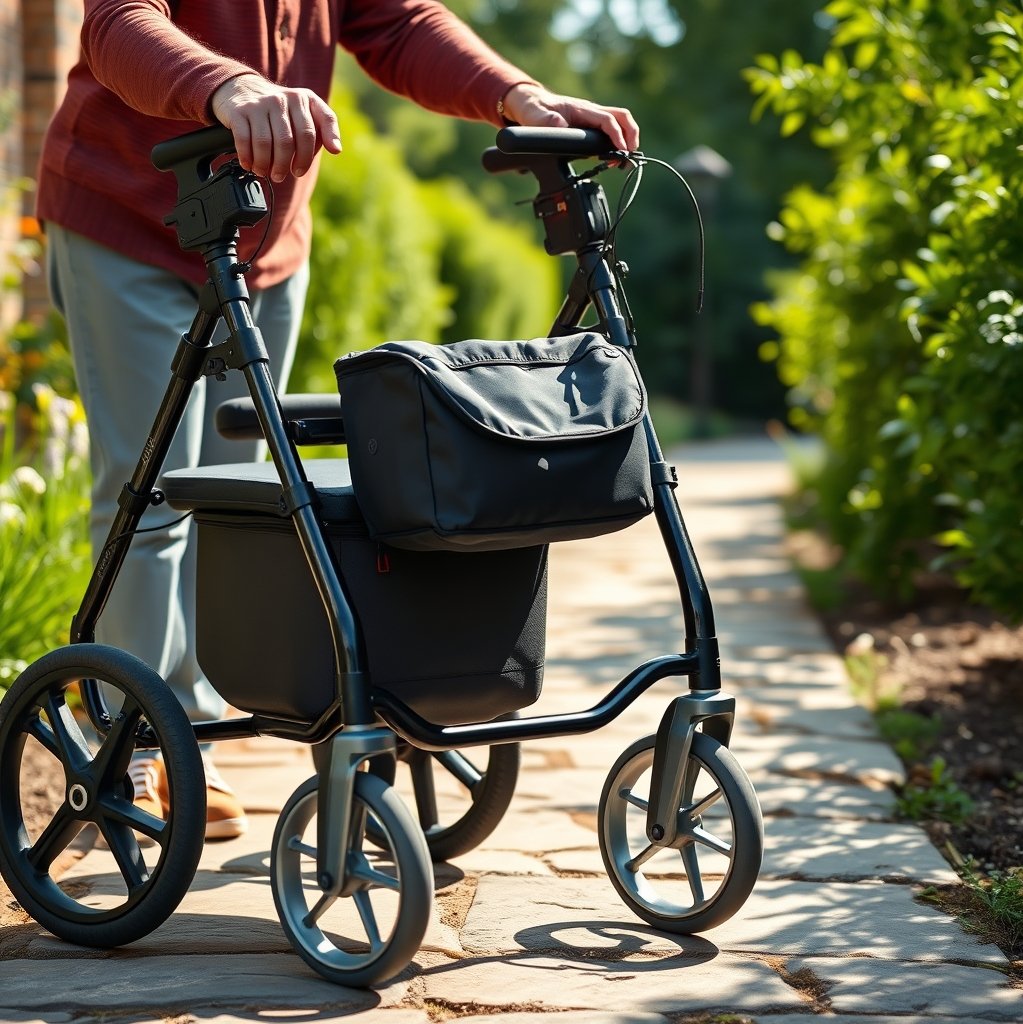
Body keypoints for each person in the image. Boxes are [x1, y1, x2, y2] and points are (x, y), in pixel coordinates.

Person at [37, 0, 640, 841]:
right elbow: (114, 25)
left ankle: (201, 709)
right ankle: (136, 743)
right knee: (155, 494)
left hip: (263, 233)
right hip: (128, 214)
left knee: (243, 490)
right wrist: (231, 84)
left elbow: (397, 25)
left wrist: (516, 93)